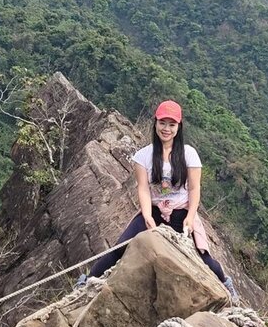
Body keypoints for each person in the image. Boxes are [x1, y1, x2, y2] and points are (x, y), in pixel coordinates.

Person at [79, 100, 238, 301]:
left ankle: (225, 282)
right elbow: (144, 189)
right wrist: (146, 215)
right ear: (155, 123)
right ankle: (86, 282)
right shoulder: (143, 156)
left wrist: (190, 216)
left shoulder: (189, 154)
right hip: (154, 210)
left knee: (202, 257)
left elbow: (195, 188)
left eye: (172, 124)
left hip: (180, 212)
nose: (166, 129)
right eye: (163, 123)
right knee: (120, 247)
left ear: (179, 127)